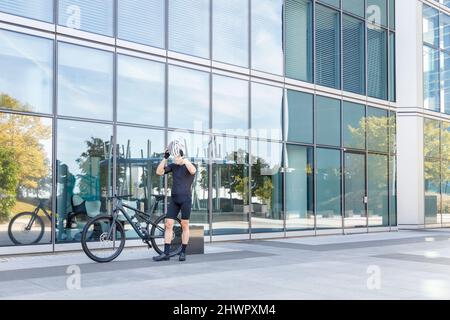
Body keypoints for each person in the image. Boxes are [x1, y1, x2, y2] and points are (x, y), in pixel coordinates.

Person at [153, 140, 197, 262]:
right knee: (168, 224)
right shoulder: (173, 166)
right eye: (173, 157)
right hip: (174, 199)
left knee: (184, 225)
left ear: (181, 155)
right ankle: (166, 253)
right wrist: (165, 158)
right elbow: (159, 172)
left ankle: (183, 252)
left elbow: (193, 171)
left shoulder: (189, 165)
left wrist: (184, 159)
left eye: (176, 157)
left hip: (186, 200)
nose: (174, 159)